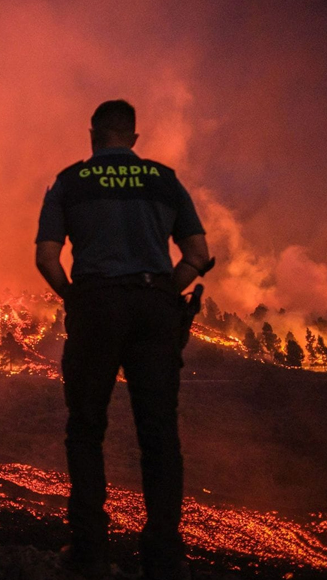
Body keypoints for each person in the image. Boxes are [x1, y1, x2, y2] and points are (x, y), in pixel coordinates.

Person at [35, 100, 211, 580]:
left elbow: (47, 258)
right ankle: (163, 556)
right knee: (158, 433)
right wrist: (163, 294)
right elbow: (198, 252)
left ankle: (90, 552)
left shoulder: (70, 181)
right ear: (133, 139)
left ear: (93, 135)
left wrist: (73, 297)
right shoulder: (164, 179)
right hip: (154, 307)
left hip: (95, 305)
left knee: (86, 428)